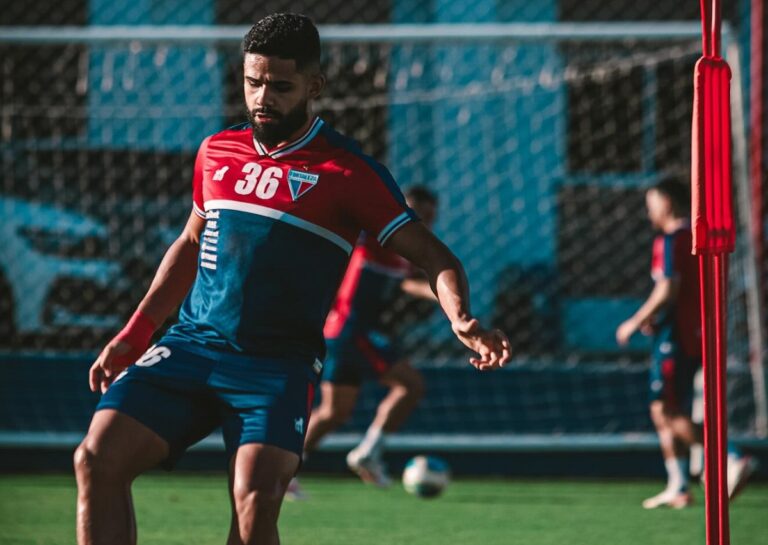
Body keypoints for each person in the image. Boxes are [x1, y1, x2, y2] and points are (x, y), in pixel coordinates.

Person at [73, 13, 510, 545]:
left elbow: (434, 255)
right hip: (190, 347)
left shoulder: (349, 172)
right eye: (253, 82)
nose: (263, 97)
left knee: (254, 506)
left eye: (280, 86)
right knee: (96, 457)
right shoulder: (215, 152)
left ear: (314, 86)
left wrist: (460, 316)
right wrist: (135, 333)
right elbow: (189, 245)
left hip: (275, 367)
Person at [287, 187, 438, 499]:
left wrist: (438, 292)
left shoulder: (406, 252)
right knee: (410, 385)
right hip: (351, 330)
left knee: (334, 412)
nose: (424, 220)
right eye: (417, 212)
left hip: (344, 332)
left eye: (430, 215)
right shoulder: (376, 236)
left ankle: (281, 471)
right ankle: (368, 453)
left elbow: (407, 283)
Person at [616, 178, 755, 509]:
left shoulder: (672, 239)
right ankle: (678, 484)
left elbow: (668, 289)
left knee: (666, 408)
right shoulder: (696, 239)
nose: (648, 209)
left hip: (675, 336)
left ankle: (728, 456)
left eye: (652, 202)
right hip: (695, 332)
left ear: (667, 203)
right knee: (660, 408)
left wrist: (635, 321)